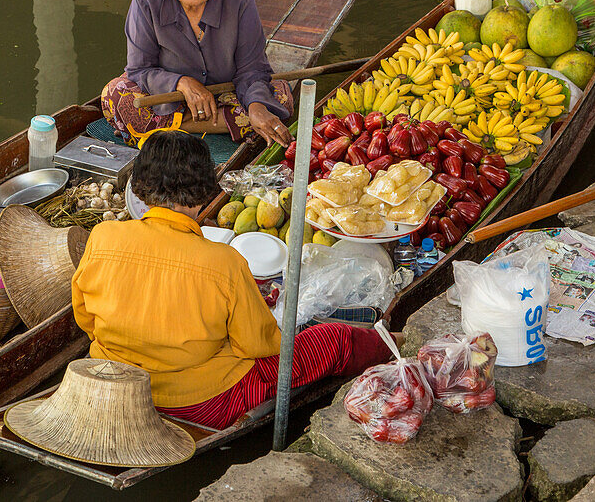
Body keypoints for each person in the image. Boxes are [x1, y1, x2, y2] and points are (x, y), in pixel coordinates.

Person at [71, 131, 396, 430]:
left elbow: (85, 317)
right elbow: (258, 345)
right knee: (332, 339)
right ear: (202, 192)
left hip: (114, 380)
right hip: (199, 402)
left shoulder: (102, 236)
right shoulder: (224, 262)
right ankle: (401, 343)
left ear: (139, 185)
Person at [101, 0, 293, 147]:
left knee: (281, 96)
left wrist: (257, 108)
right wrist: (183, 83)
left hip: (225, 93)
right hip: (170, 98)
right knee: (115, 93)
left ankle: (162, 127)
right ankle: (221, 125)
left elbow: (251, 69)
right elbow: (140, 69)